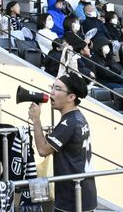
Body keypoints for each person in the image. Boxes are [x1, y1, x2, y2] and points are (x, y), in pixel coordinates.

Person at [28, 74, 97, 212]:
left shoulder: (69, 122)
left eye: (58, 89)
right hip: (84, 193)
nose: (52, 92)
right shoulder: (78, 117)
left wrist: (36, 120)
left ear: (71, 97)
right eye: (52, 87)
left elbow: (42, 150)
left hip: (73, 198)